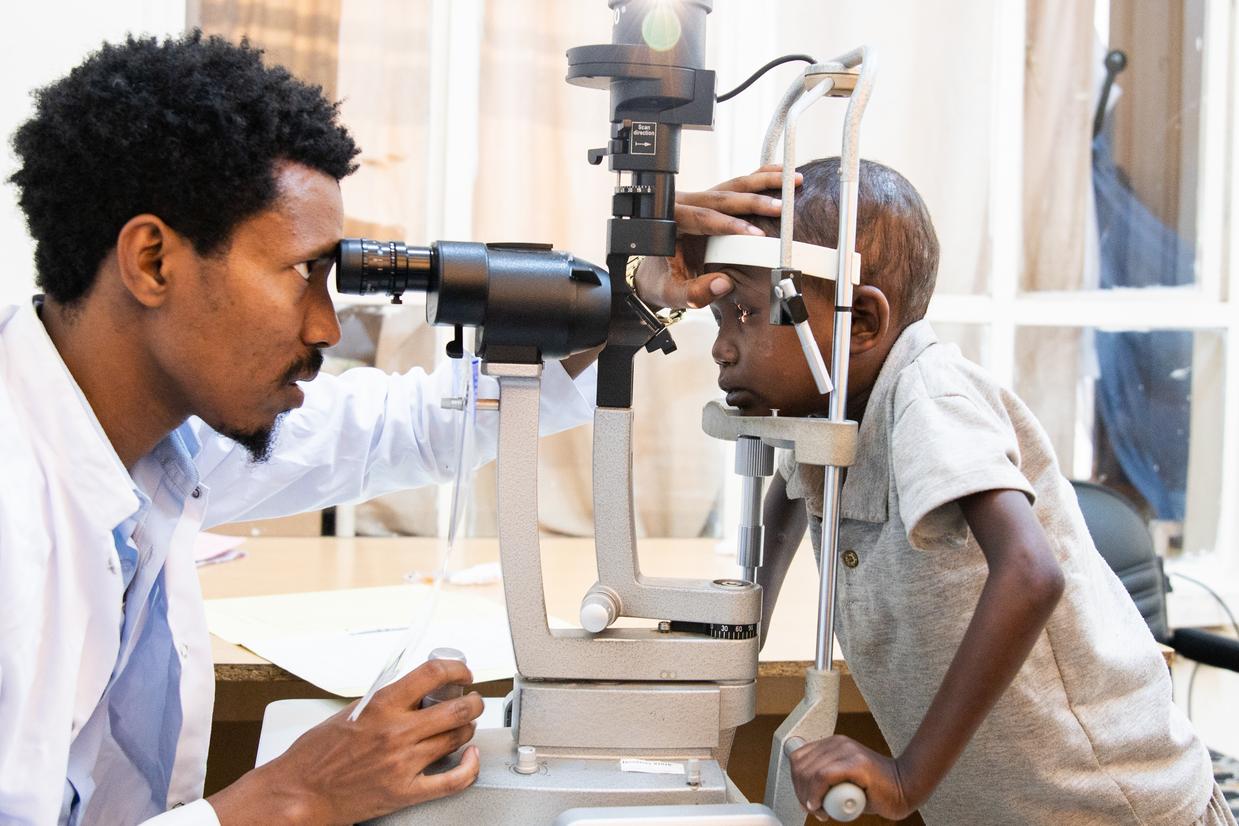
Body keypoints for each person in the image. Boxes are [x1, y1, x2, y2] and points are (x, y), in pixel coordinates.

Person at [0, 32, 782, 825]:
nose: (326, 326)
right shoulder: (15, 521)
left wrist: (630, 295)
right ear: (153, 262)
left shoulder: (158, 440)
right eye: (302, 272)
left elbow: (404, 426)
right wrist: (292, 796)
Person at [696, 157, 1233, 824]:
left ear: (860, 321)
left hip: (1111, 806)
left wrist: (904, 780)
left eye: (746, 314)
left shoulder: (928, 394)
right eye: (720, 319)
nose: (721, 348)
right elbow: (787, 501)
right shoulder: (829, 417)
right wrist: (726, 668)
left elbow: (1030, 573)